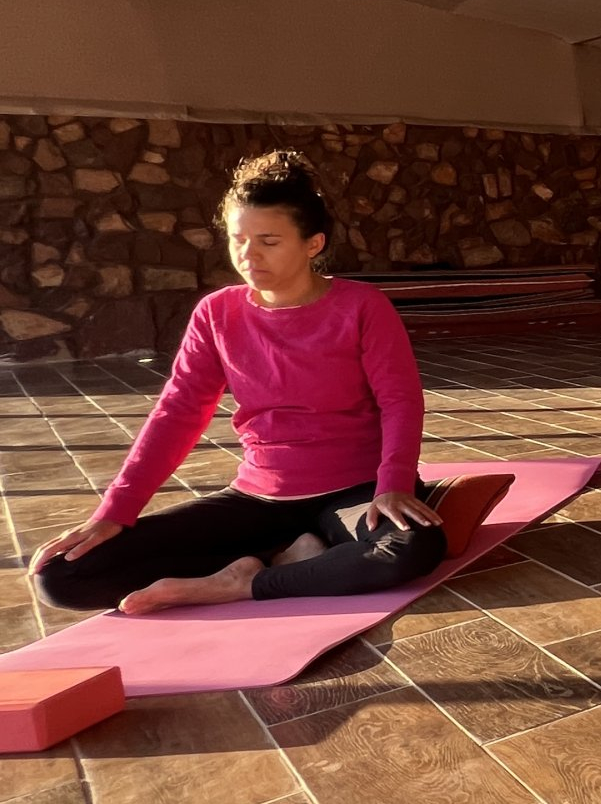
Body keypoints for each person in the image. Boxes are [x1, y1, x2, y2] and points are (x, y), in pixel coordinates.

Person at [33, 151, 447, 614]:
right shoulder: (217, 313)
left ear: (313, 244)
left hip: (355, 491)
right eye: (238, 240)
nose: (248, 256)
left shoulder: (362, 306)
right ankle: (292, 559)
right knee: (64, 576)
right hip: (260, 498)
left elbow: (400, 401)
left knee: (410, 548)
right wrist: (115, 511)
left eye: (268, 241)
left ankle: (243, 583)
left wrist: (393, 485)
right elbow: (178, 412)